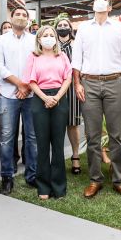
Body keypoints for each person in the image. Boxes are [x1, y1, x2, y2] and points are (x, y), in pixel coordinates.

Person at [72, 0, 121, 199]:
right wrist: (77, 84)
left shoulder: (119, 27)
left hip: (115, 83)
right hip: (88, 83)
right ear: (92, 6)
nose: (100, 1)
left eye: (104, 0)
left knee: (116, 135)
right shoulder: (83, 28)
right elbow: (76, 59)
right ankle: (95, 179)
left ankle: (119, 180)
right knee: (92, 135)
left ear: (110, 7)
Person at [0, 6, 37, 194]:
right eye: (17, 14)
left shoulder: (35, 41)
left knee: (33, 138)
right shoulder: (1, 40)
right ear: (11, 18)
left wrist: (26, 87)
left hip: (31, 95)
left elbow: (38, 64)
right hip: (7, 95)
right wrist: (19, 84)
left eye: (24, 15)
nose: (21, 17)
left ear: (28, 20)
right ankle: (7, 177)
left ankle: (32, 176)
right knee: (6, 138)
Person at [25, 25, 73, 199]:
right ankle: (43, 187)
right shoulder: (33, 56)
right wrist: (45, 98)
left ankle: (59, 187)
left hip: (59, 98)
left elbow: (68, 78)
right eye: (44, 35)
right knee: (43, 145)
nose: (48, 37)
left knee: (58, 145)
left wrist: (57, 97)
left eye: (51, 35)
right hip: (40, 99)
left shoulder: (62, 56)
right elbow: (31, 81)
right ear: (38, 38)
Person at [56, 16, 82, 175]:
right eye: (60, 25)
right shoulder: (52, 44)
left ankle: (76, 155)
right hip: (54, 87)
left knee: (72, 123)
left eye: (66, 25)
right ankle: (57, 158)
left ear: (70, 28)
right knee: (57, 124)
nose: (63, 27)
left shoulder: (76, 44)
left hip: (72, 87)